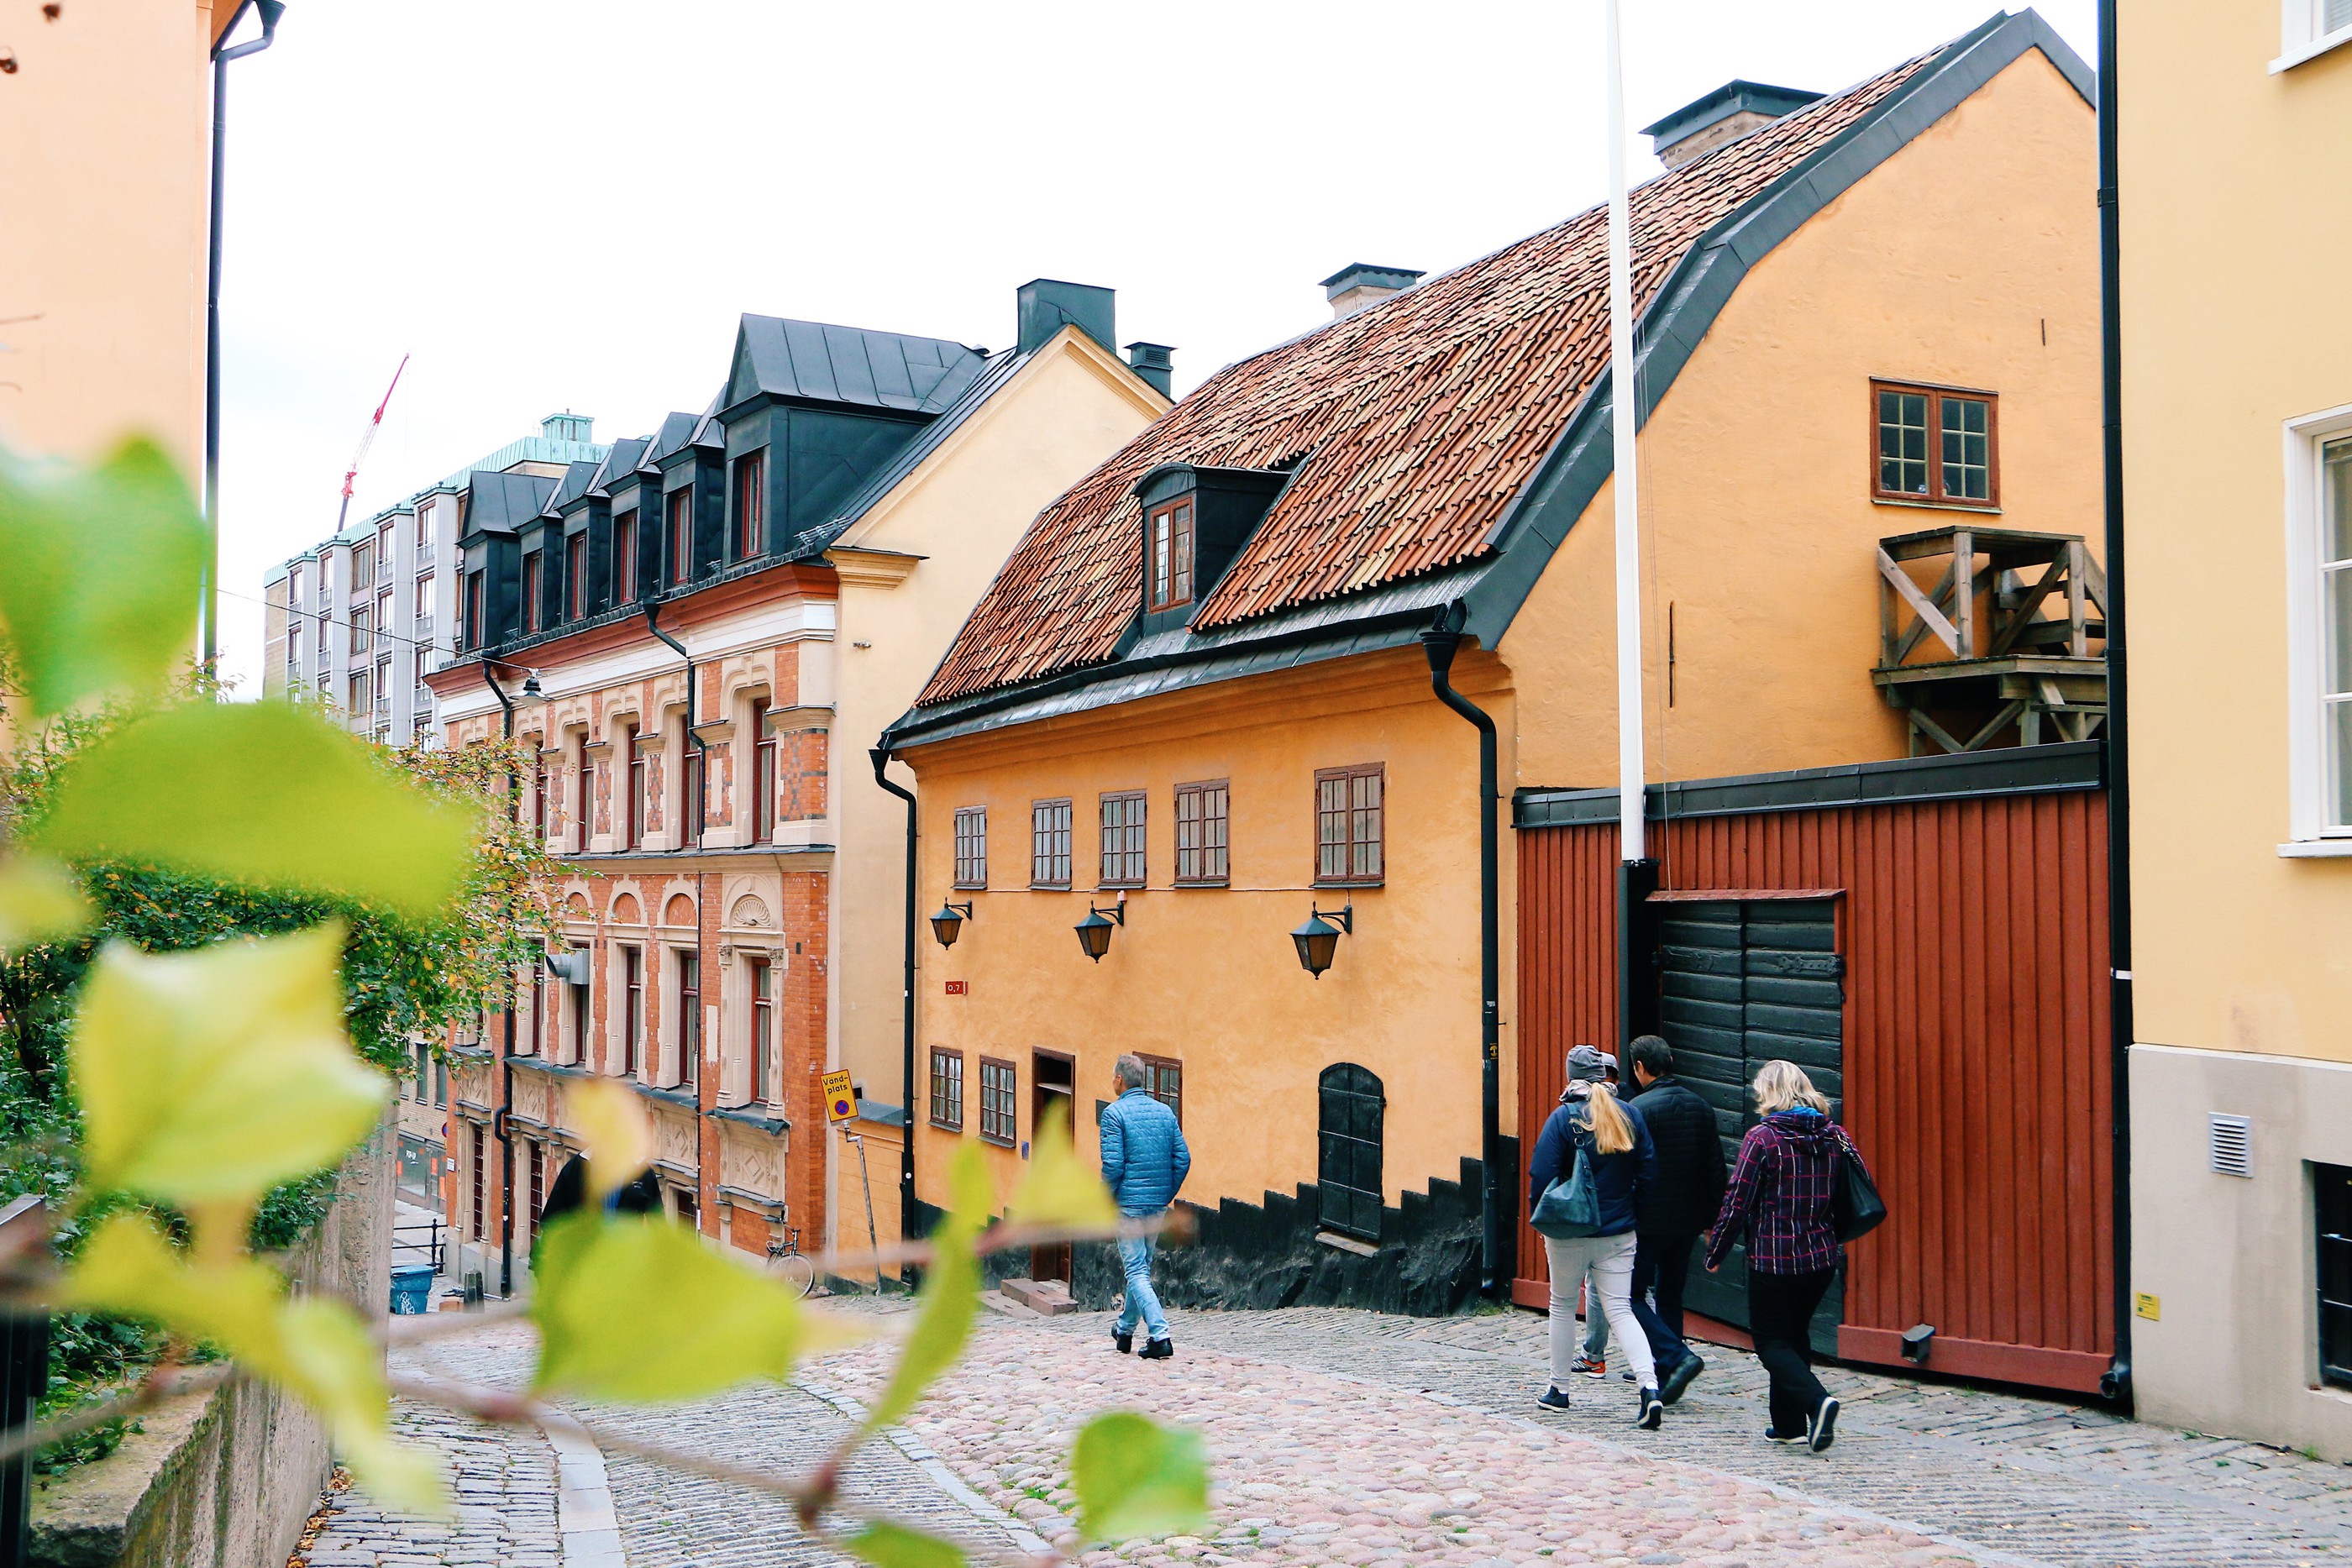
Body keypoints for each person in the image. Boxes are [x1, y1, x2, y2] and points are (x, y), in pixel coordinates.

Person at [1706, 1059, 1874, 1453]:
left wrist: (1716, 1251)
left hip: (1774, 1260)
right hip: (1820, 1257)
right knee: (1793, 1335)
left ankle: (1818, 1402)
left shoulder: (1762, 1138)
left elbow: (1737, 1202)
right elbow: (1855, 1184)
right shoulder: (1834, 1135)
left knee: (1770, 1342)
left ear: (1769, 1093)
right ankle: (1787, 1424)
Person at [1525, 1051, 1664, 1427]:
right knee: (1621, 1308)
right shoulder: (1628, 1114)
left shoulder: (1562, 1118)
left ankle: (1559, 1390)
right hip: (1619, 1231)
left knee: (1563, 1305)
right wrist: (1632, 1211)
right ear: (1603, 1075)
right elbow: (1649, 1172)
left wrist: (1544, 1214)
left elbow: (1540, 1174)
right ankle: (1649, 1387)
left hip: (1570, 1230)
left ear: (1571, 1076)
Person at [1627, 1034, 1727, 1405]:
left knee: (1631, 1297)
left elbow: (1631, 1167)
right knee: (1670, 1295)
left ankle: (1675, 1357)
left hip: (1648, 1221)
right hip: (1687, 1221)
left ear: (1640, 1067)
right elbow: (1716, 1169)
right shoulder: (1701, 1106)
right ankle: (1670, 1373)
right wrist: (1711, 1220)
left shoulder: (1639, 1108)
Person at [1100, 1052, 1190, 1361]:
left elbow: (1112, 1165)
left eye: (1114, 1077)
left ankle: (1160, 1334)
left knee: (1136, 1271)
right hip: (1156, 1206)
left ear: (1120, 1079)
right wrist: (1166, 1193)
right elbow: (1183, 1159)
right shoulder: (1165, 1113)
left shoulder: (1114, 1114)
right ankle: (1124, 1330)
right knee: (1141, 1271)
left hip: (1128, 1206)